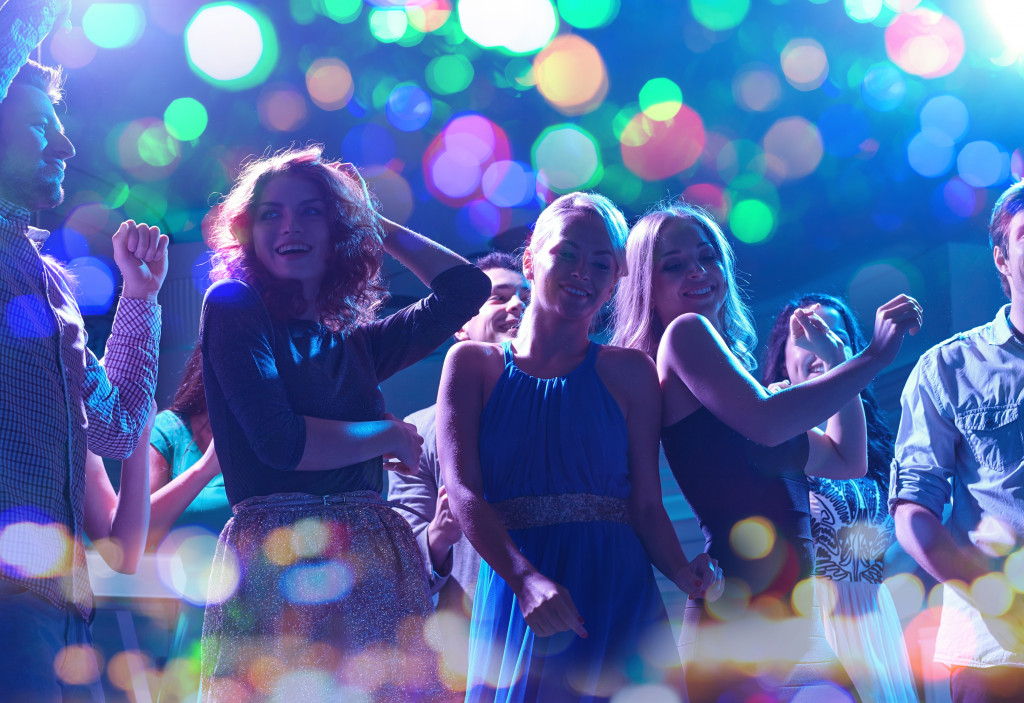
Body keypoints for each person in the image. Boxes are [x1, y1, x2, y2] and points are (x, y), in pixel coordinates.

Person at [197, 145, 489, 702]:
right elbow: (281, 443)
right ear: (249, 229)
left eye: (312, 211)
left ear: (338, 230)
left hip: (373, 557)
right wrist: (391, 434)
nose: (290, 226)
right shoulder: (234, 304)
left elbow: (466, 291)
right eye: (271, 213)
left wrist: (373, 222)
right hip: (279, 554)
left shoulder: (351, 334)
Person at [609, 200, 921, 702]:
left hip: (794, 618)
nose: (697, 271)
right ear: (647, 283)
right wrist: (873, 357)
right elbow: (769, 423)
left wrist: (839, 360)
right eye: (674, 264)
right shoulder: (686, 336)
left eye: (708, 256)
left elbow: (847, 460)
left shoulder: (738, 375)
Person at [438, 192, 719, 702]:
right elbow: (462, 490)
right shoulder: (471, 364)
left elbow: (646, 504)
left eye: (601, 262)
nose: (582, 272)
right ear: (530, 258)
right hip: (521, 595)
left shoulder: (631, 372)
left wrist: (684, 572)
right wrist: (523, 579)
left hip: (619, 591)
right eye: (566, 253)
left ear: (617, 280)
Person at [0, 5, 170, 700]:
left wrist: (140, 297)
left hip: (64, 613)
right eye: (42, 128)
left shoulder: (53, 284)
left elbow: (118, 426)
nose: (66, 149)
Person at [892, 179, 1024, 702]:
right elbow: (912, 512)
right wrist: (996, 597)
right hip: (1000, 652)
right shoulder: (948, 368)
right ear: (1001, 258)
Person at [762, 293, 918, 702]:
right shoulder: (772, 418)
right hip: (810, 617)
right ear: (781, 360)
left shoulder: (873, 435)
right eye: (805, 333)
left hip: (873, 618)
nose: (819, 343)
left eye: (831, 333)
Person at [387, 251, 530, 683]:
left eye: (525, 296)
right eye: (498, 297)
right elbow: (400, 558)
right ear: (460, 327)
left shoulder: (562, 406)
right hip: (472, 649)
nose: (517, 306)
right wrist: (438, 535)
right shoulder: (420, 429)